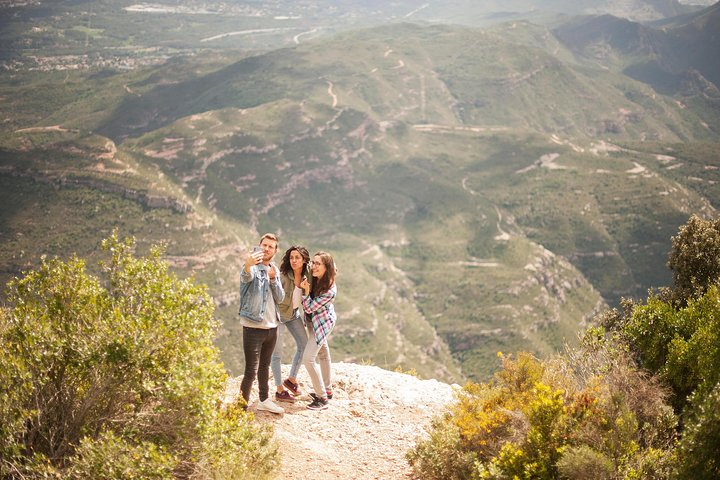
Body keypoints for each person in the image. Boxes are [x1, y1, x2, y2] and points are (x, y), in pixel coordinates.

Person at [238, 233, 285, 414]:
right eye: (264, 245)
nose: (266, 249)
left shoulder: (274, 269)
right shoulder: (252, 268)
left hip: (272, 327)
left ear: (275, 250)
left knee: (265, 367)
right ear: (259, 246)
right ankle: (240, 407)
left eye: (271, 246)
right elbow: (245, 276)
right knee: (251, 370)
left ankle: (264, 400)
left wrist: (273, 279)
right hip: (253, 327)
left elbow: (280, 298)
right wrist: (249, 264)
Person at [270, 245, 310, 402]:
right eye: (291, 257)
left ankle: (291, 380)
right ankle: (279, 390)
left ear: (304, 260)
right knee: (277, 354)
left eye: (297, 257)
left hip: (293, 314)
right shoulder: (283, 276)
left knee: (304, 345)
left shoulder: (308, 276)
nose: (293, 260)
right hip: (278, 316)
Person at [300, 251, 337, 410]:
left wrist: (306, 292)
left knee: (308, 358)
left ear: (326, 267)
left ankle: (322, 398)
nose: (313, 266)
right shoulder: (316, 277)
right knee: (323, 353)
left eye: (318, 264)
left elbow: (308, 307)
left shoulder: (329, 291)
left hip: (322, 324)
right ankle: (327, 390)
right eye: (313, 263)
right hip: (312, 322)